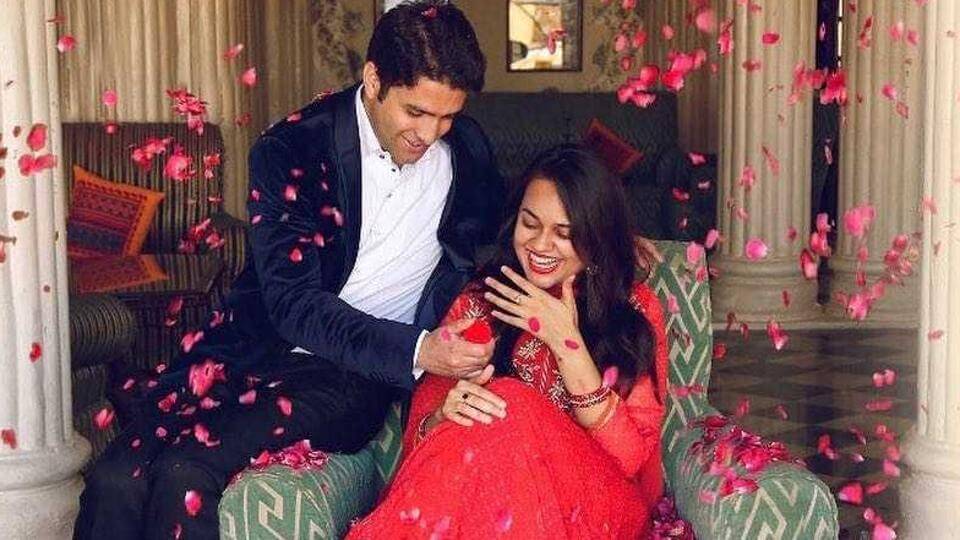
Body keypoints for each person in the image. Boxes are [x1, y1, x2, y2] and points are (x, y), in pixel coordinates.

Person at [74, 3, 504, 539]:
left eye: (446, 117)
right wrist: (420, 350)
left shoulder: (467, 151)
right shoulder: (292, 148)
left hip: (350, 374)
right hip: (251, 347)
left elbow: (500, 240)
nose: (429, 133)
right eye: (415, 112)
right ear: (374, 79)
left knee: (185, 472)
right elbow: (294, 304)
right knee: (115, 480)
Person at [346, 145, 669, 539]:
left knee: (509, 401)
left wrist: (565, 342)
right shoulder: (480, 302)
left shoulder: (632, 308)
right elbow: (423, 444)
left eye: (564, 233)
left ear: (596, 238)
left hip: (600, 508)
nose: (541, 245)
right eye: (529, 224)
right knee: (493, 417)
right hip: (489, 510)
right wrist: (445, 414)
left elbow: (629, 457)